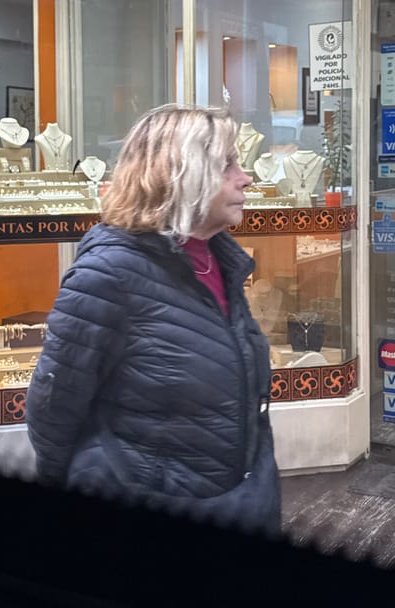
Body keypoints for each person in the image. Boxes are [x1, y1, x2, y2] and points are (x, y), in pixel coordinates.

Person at [26, 104, 281, 537]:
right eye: (227, 166)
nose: (246, 177)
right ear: (181, 174)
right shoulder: (108, 275)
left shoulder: (219, 261)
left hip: (236, 501)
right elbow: (53, 410)